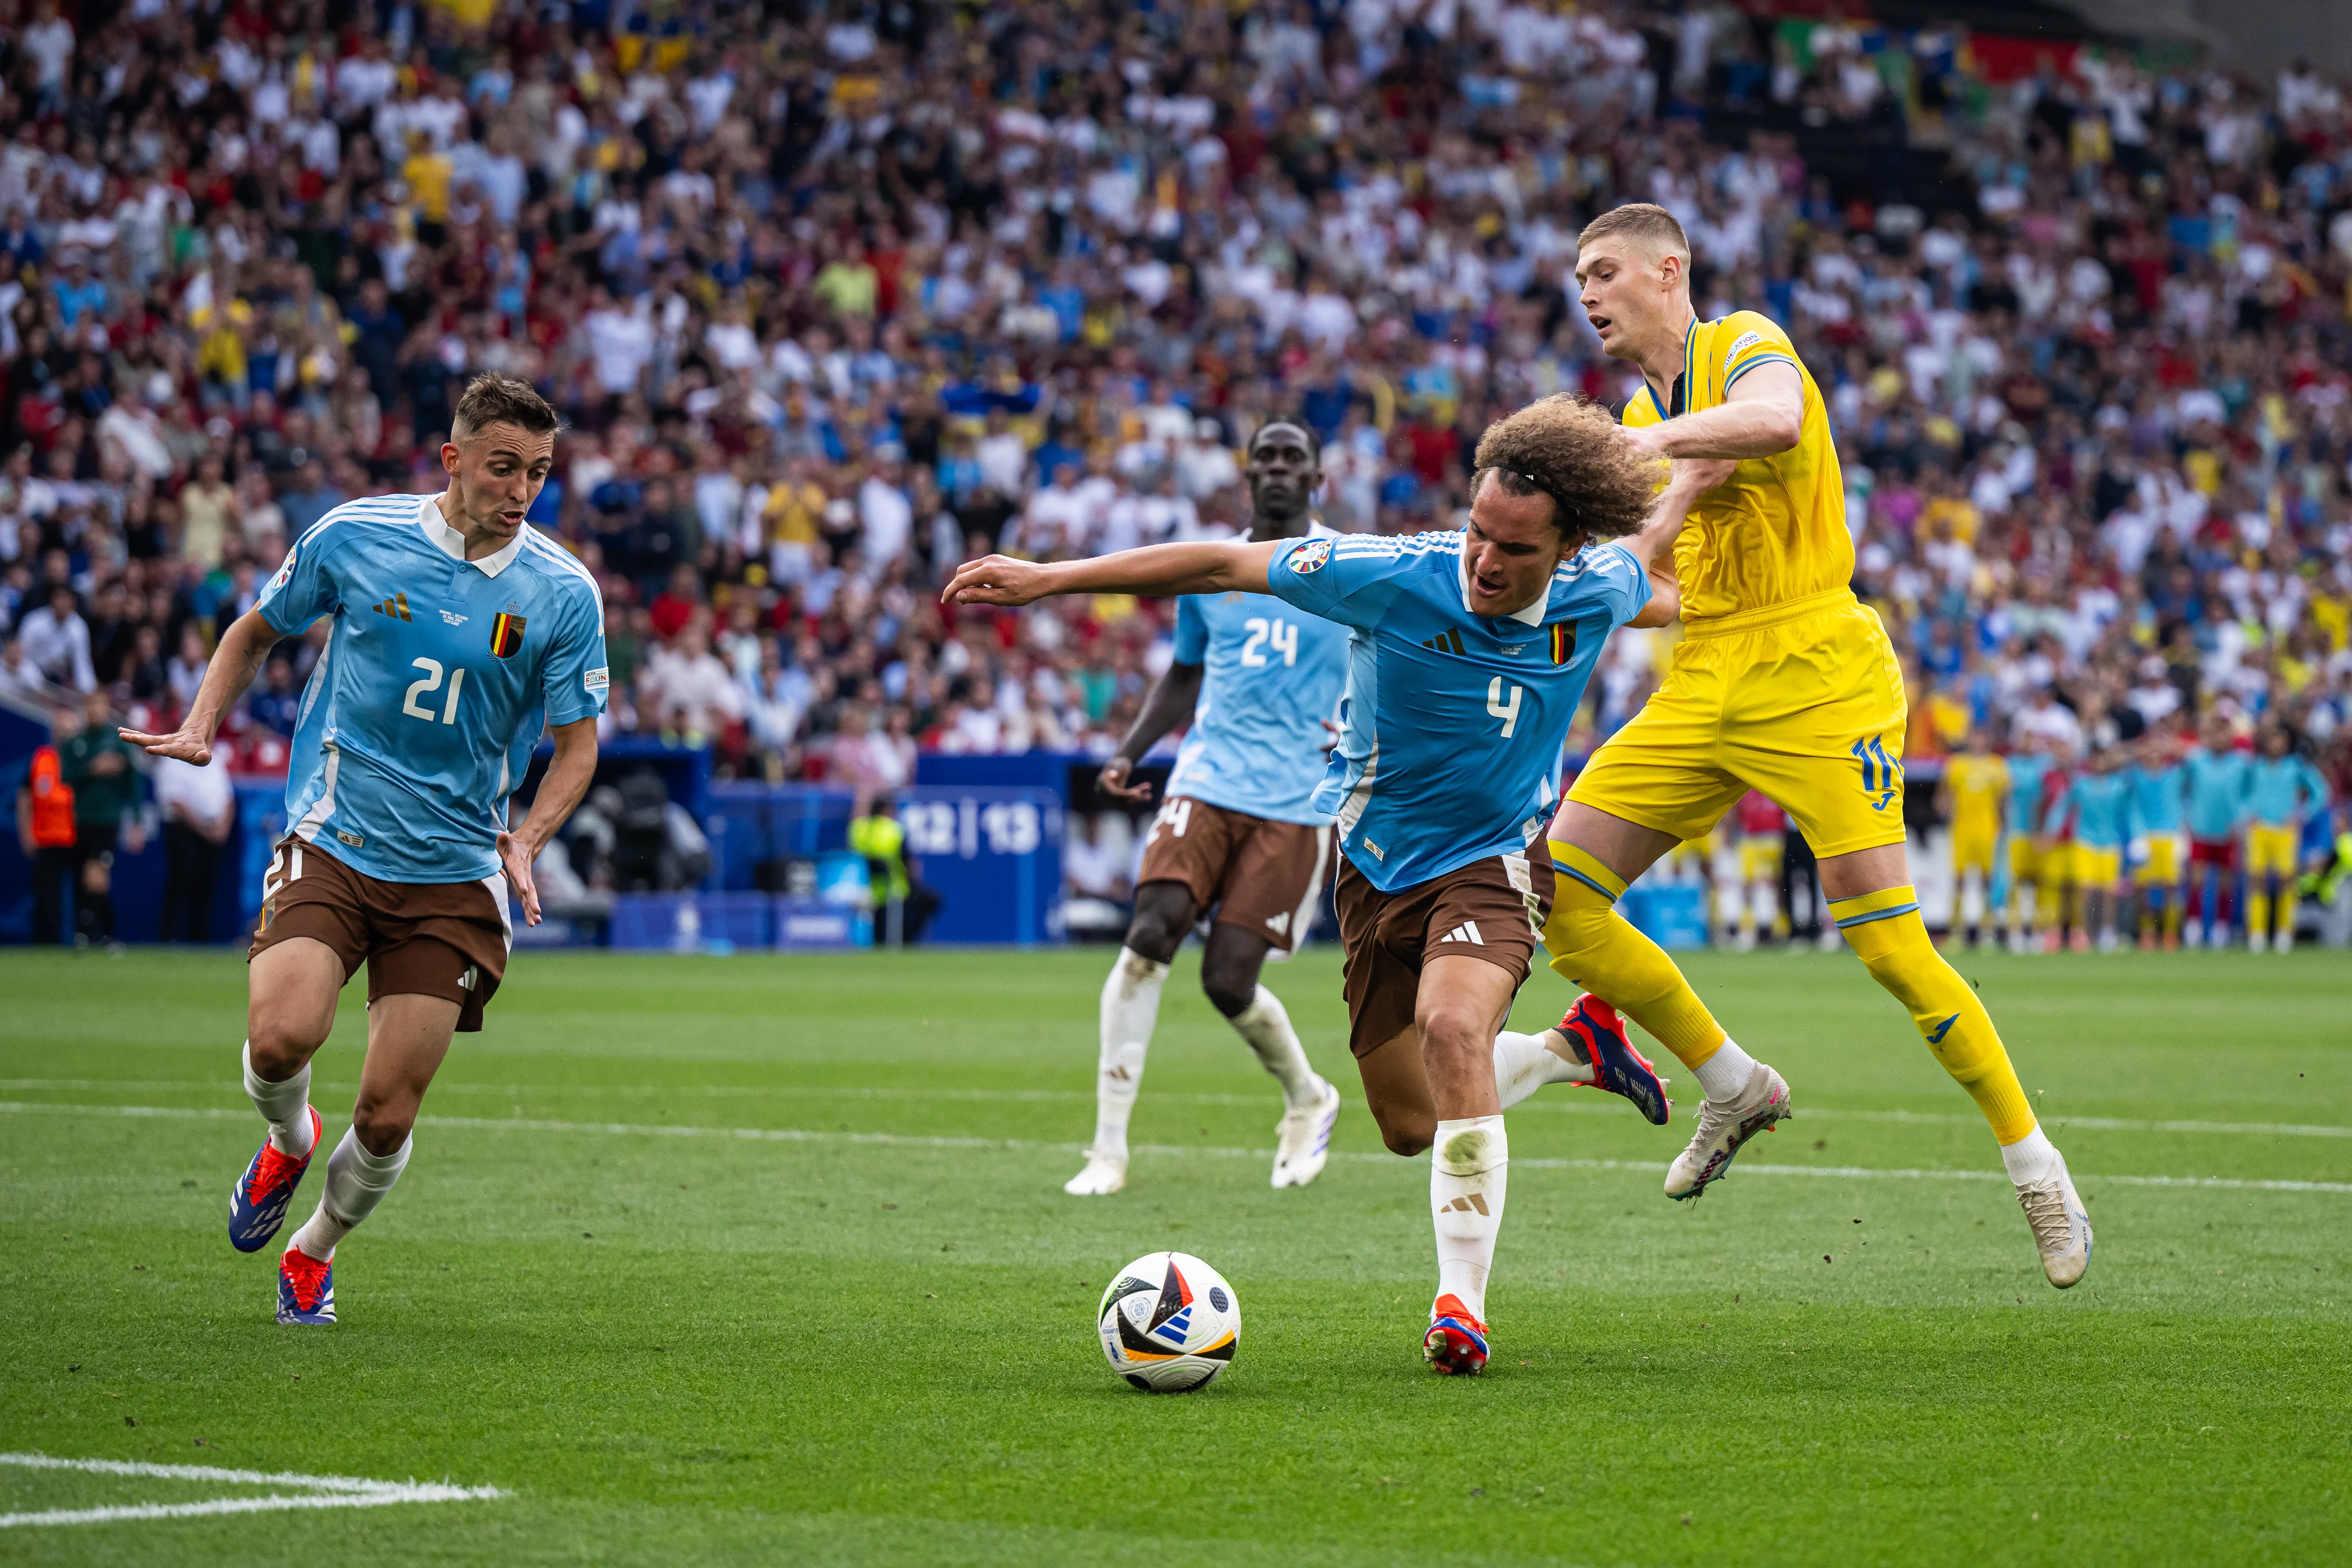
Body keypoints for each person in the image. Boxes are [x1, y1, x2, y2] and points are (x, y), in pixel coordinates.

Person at [949, 393, 1717, 1374]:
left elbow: (1647, 562)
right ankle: (1576, 1046)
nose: (1482, 562)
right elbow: (1220, 565)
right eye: (1478, 533)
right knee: (1406, 1124)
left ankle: (1459, 1307)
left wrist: (1697, 474)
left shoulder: (1593, 585)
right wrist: (1051, 578)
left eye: (1513, 550)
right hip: (1372, 868)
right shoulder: (1390, 573)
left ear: (1565, 547)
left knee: (1453, 1029)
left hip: (1492, 860)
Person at [1547, 203, 2090, 1288]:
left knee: (1888, 946)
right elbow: (1660, 588)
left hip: (1814, 667)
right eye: (1578, 277)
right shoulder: (1631, 409)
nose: (1587, 292)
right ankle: (1733, 1083)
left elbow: (1774, 423)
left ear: (1669, 269)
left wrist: (1643, 449)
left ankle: (2033, 1164)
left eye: (1604, 271)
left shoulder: (1739, 341)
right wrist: (1607, 578)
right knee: (1555, 892)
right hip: (1703, 670)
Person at [120, 374, 607, 1327]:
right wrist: (200, 723)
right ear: (453, 459)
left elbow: (578, 745)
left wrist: (529, 837)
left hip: (458, 868)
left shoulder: (562, 593)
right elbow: (254, 631)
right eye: (503, 466)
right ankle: (288, 1137)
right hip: (337, 837)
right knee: (280, 1037)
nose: (520, 490)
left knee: (388, 1115)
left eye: (539, 473)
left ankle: (313, 1252)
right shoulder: (357, 536)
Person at [1062, 420, 1353, 1200]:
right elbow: (1184, 674)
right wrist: (1129, 751)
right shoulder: (1210, 573)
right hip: (1206, 779)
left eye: (1294, 457)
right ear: (1247, 474)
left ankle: (1307, 1095)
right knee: (1149, 930)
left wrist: (1367, 726)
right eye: (1266, 457)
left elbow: (1389, 660)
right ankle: (1107, 1149)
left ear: (1317, 476)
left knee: (1227, 980)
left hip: (1294, 801)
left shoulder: (1346, 569)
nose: (1279, 469)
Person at [59, 688, 143, 949]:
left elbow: (134, 782)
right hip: (81, 818)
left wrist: (137, 820)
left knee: (96, 873)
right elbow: (65, 776)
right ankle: (91, 932)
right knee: (84, 876)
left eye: (100, 706)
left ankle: (98, 932)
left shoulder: (117, 741)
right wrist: (92, 769)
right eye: (91, 707)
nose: (96, 712)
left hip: (108, 818)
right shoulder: (76, 742)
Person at [2242, 726, 2332, 954]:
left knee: (2286, 881)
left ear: (2286, 742)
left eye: (2280, 739)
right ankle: (2258, 934)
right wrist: (2247, 813)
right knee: (2257, 881)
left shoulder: (2295, 767)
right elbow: (2239, 794)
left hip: (2285, 831)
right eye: (2272, 739)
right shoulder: (2256, 767)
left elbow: (2321, 792)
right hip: (2260, 829)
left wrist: (2302, 814)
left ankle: (2284, 933)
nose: (2276, 744)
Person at [2182, 714, 2250, 948]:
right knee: (2197, 880)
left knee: (2226, 883)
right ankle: (2193, 927)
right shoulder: (2196, 761)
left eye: (2224, 733)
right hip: (2201, 828)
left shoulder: (2242, 763)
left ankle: (2222, 929)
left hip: (2228, 831)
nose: (2219, 738)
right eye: (2215, 733)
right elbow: (2182, 789)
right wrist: (2187, 816)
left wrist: (2241, 819)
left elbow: (2251, 793)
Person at [154, 751, 237, 941]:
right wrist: (203, 829)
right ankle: (169, 938)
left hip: (214, 831)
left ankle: (201, 939)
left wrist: (222, 828)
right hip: (184, 832)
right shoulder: (172, 761)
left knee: (207, 888)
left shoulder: (215, 760)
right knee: (181, 884)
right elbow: (175, 801)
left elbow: (228, 798)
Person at [15, 702, 79, 943]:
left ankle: (86, 942)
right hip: (46, 837)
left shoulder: (83, 759)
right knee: (46, 897)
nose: (63, 733)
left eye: (68, 728)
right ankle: (45, 946)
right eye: (59, 728)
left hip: (77, 835)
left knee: (83, 894)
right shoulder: (42, 758)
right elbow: (24, 796)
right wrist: (26, 833)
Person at [1937, 732, 2007, 950]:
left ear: (1987, 740)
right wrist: (1946, 815)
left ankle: (1988, 931)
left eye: (1982, 737)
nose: (1978, 741)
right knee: (1960, 879)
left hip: (1987, 830)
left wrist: (2003, 825)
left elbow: (2002, 800)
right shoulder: (1957, 765)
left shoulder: (1997, 766)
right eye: (1975, 737)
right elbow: (1944, 794)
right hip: (1962, 830)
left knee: (1988, 880)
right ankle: (1957, 931)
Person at [2123, 732, 2188, 950]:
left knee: (2171, 887)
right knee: (2142, 888)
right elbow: (2116, 758)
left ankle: (2170, 933)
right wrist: (2138, 749)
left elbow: (2192, 754)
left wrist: (2171, 744)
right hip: (2145, 837)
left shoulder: (2174, 775)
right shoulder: (2136, 776)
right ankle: (2148, 932)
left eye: (2157, 754)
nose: (2153, 757)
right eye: (2149, 754)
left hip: (2170, 836)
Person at [2063, 747, 2131, 953]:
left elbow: (2128, 814)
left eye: (2103, 760)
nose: (2100, 764)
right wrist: (2050, 831)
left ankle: (2107, 934)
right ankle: (2084, 933)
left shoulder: (2119, 786)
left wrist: (2137, 838)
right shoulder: (2081, 785)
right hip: (2085, 842)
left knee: (2109, 894)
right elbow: (2063, 807)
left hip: (2110, 843)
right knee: (2086, 892)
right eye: (2096, 760)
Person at [848, 793, 941, 944]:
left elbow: (855, 822)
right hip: (895, 889)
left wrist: (862, 798)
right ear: (887, 810)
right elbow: (910, 863)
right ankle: (908, 940)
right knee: (930, 900)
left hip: (867, 889)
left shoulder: (859, 830)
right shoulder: (893, 830)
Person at [2002, 734, 2061, 955]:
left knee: (2040, 885)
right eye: (2024, 738)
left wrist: (2046, 830)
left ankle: (2038, 933)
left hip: (2038, 834)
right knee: (2015, 885)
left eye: (2031, 739)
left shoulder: (2044, 766)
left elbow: (2048, 800)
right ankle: (2015, 932)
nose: (2028, 743)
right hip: (2016, 832)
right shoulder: (2008, 766)